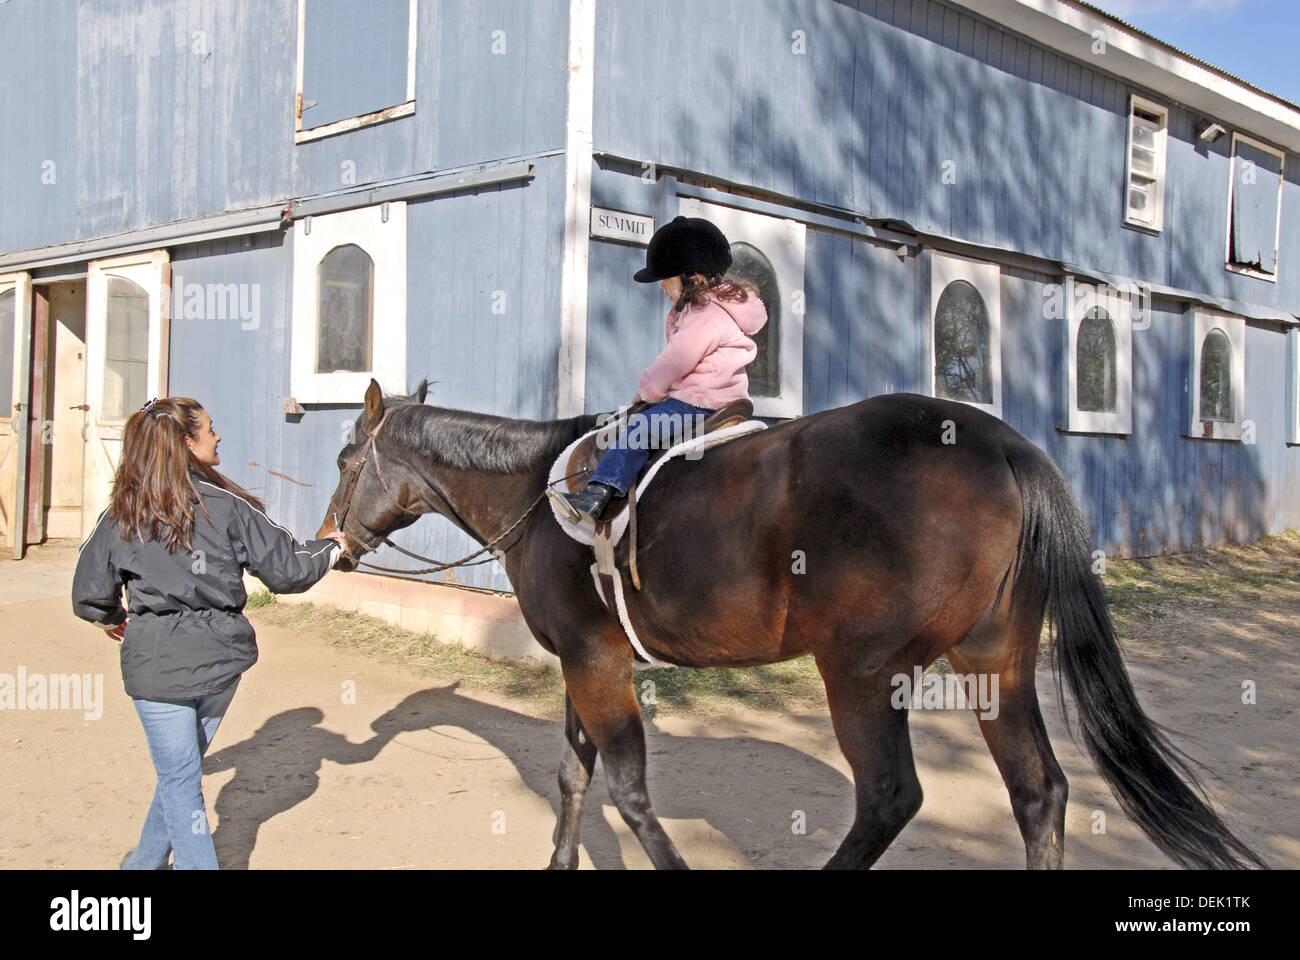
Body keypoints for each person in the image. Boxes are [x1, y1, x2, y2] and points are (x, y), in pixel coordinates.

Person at [71, 396, 347, 870]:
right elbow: (287, 571)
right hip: (221, 663)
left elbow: (89, 592)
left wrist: (113, 618)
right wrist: (332, 549)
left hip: (156, 665)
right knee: (180, 775)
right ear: (186, 442)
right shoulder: (227, 507)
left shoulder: (123, 511)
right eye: (210, 429)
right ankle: (142, 865)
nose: (217, 437)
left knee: (179, 778)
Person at [555, 216, 768, 524]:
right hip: (722, 398)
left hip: (698, 402)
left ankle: (596, 494)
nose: (663, 288)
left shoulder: (705, 313)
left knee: (638, 431)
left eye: (666, 280)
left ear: (692, 278)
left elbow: (677, 359)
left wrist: (646, 391)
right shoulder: (720, 308)